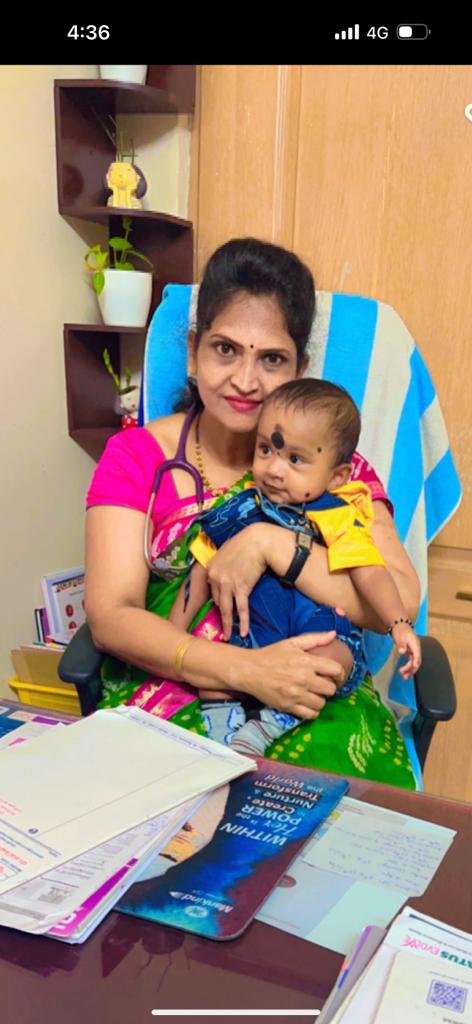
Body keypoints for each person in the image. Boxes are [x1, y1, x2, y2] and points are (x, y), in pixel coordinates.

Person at [85, 237, 420, 787]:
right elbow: (111, 616)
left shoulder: (337, 471)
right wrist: (245, 670)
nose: (245, 381)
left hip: (311, 688)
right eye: (225, 349)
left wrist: (274, 546)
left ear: (300, 367)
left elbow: (399, 601)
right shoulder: (137, 458)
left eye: (271, 359)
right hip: (181, 680)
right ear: (193, 351)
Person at [169, 378, 421, 755]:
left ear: (337, 476)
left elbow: (370, 571)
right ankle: (222, 735)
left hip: (318, 635)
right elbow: (202, 571)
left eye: (295, 459)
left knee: (328, 665)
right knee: (213, 676)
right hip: (252, 642)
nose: (274, 469)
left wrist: (398, 623)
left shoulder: (339, 517)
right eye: (265, 449)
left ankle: (266, 726)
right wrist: (172, 636)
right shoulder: (240, 508)